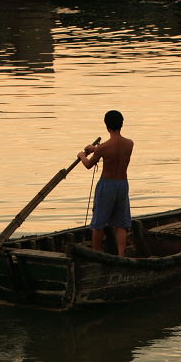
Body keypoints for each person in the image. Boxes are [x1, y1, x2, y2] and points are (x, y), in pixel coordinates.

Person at [77, 110, 134, 257]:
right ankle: (121, 256)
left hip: (107, 185)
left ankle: (97, 254)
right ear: (122, 124)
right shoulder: (129, 144)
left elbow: (89, 164)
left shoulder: (103, 148)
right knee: (121, 224)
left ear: (106, 126)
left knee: (99, 223)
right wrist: (95, 149)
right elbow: (113, 150)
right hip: (122, 184)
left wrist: (82, 155)